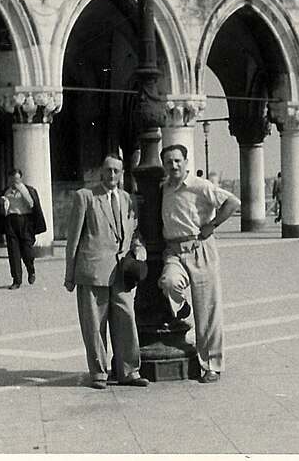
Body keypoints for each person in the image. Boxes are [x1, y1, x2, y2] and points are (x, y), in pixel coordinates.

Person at [64, 154, 149, 390]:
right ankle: (99, 373)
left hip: (121, 273)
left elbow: (134, 234)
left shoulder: (128, 199)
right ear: (101, 172)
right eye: (108, 170)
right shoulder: (86, 197)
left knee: (126, 320)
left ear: (122, 174)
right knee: (94, 324)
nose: (112, 175)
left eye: (117, 171)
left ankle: (129, 371)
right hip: (91, 271)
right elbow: (73, 239)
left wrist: (139, 249)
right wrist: (69, 275)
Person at [158, 144, 241, 384]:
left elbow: (233, 202)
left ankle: (211, 365)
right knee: (170, 281)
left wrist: (212, 225)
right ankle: (181, 306)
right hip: (174, 250)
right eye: (168, 162)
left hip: (200, 248)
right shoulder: (164, 189)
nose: (173, 166)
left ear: (186, 162)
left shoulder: (200, 186)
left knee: (208, 310)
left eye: (177, 161)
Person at [0, 169, 46, 289]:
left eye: (16, 180)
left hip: (25, 221)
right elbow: (2, 210)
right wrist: (3, 203)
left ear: (21, 179)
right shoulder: (6, 191)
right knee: (13, 252)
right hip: (11, 221)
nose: (14, 182)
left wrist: (21, 190)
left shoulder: (27, 190)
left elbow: (32, 204)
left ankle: (31, 270)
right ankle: (16, 280)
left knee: (26, 251)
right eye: (12, 180)